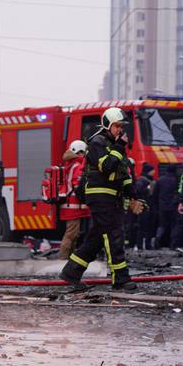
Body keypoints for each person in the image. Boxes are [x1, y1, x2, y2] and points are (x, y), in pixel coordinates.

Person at [59, 107, 138, 291]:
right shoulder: (97, 142)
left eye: (121, 126)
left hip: (112, 198)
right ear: (107, 124)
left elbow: (123, 172)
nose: (120, 130)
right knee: (114, 235)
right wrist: (119, 147)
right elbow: (107, 166)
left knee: (95, 239)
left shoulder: (117, 145)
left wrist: (134, 196)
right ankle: (120, 279)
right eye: (117, 126)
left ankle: (71, 272)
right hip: (100, 197)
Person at [58, 141, 90, 260]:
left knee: (74, 234)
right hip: (73, 206)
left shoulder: (71, 164)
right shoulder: (77, 166)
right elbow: (78, 186)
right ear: (80, 152)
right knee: (71, 234)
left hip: (70, 205)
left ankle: (68, 259)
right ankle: (62, 260)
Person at [151, 165, 179, 249]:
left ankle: (157, 241)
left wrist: (156, 205)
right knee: (173, 226)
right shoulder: (176, 181)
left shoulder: (160, 180)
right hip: (173, 206)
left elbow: (155, 194)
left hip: (162, 207)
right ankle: (172, 245)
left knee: (162, 225)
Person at [138, 163, 158, 249]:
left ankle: (148, 245)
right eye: (152, 170)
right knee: (142, 227)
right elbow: (138, 192)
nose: (154, 172)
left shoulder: (151, 180)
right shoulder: (141, 181)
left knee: (150, 227)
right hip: (143, 207)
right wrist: (147, 190)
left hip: (151, 207)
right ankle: (140, 245)